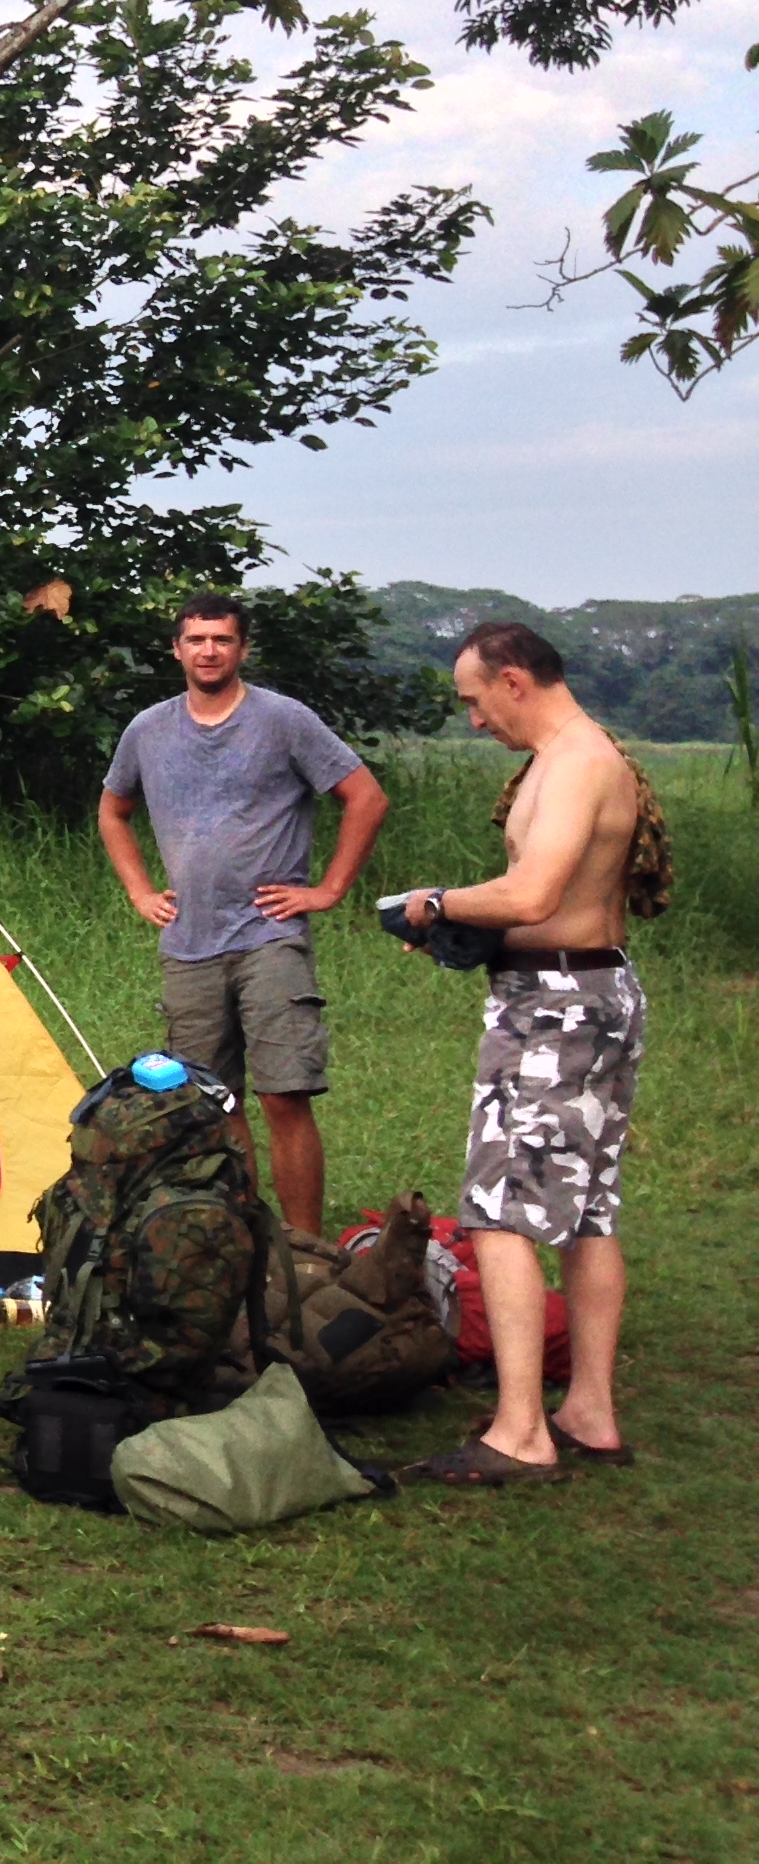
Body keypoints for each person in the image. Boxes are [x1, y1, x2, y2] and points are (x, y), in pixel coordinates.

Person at [401, 621, 647, 1486]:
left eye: (475, 701)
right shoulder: (578, 755)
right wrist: (469, 929)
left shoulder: (576, 762)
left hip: (557, 1007)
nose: (475, 720)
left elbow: (534, 892)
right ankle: (589, 1412)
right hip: (590, 988)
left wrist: (436, 902)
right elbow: (548, 900)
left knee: (498, 1211)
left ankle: (520, 1433)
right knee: (587, 1212)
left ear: (513, 680)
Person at [96, 591, 390, 1236]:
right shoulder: (148, 730)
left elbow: (366, 797)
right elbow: (113, 810)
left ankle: (305, 1248)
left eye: (222, 639)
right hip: (188, 944)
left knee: (284, 1095)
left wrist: (328, 889)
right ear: (177, 650)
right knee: (210, 1102)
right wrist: (140, 891)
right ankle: (243, 1241)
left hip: (269, 935)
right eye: (196, 640)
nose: (209, 651)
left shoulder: (283, 720)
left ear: (242, 649)